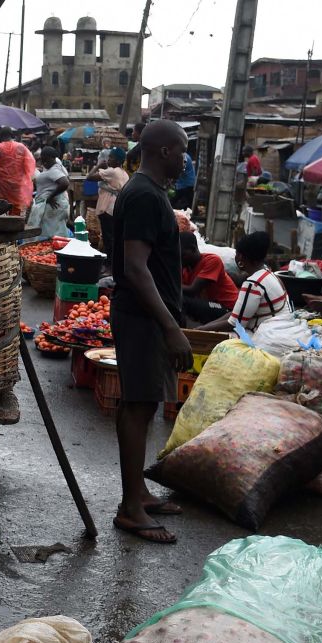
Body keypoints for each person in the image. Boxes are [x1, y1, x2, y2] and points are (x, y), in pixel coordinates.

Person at [110, 119, 192, 545]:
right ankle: (130, 508)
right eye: (182, 150)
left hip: (145, 316)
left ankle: (138, 492)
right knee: (139, 407)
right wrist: (171, 327)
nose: (185, 158)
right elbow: (135, 270)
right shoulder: (143, 194)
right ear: (163, 151)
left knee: (139, 404)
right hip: (142, 317)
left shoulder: (151, 193)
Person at [198, 231, 291, 333]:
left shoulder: (253, 283)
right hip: (280, 330)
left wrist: (201, 330)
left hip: (266, 336)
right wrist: (204, 327)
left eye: (236, 253)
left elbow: (234, 323)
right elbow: (236, 314)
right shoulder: (269, 274)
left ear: (241, 257)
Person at [179, 231, 239, 324]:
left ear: (193, 249)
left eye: (182, 255)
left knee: (183, 300)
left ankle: (182, 333)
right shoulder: (186, 269)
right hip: (211, 305)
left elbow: (193, 290)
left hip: (228, 310)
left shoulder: (212, 260)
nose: (180, 259)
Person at [0, 127, 36, 216]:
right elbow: (29, 162)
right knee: (16, 208)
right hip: (17, 185)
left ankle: (1, 226)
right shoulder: (21, 147)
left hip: (3, 185)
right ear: (12, 135)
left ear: (0, 136)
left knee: (0, 207)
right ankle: (14, 225)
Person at [92, 148, 129, 258]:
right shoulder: (124, 174)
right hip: (116, 209)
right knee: (113, 238)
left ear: (118, 161)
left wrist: (98, 166)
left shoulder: (112, 171)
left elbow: (89, 177)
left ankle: (110, 265)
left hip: (107, 208)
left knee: (109, 239)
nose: (108, 160)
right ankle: (113, 263)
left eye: (111, 158)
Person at [27, 146, 70, 239]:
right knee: (55, 233)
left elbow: (65, 183)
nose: (43, 162)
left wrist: (50, 196)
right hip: (53, 205)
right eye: (42, 160)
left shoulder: (54, 170)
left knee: (50, 235)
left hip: (51, 205)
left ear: (51, 158)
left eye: (45, 159)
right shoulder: (56, 167)